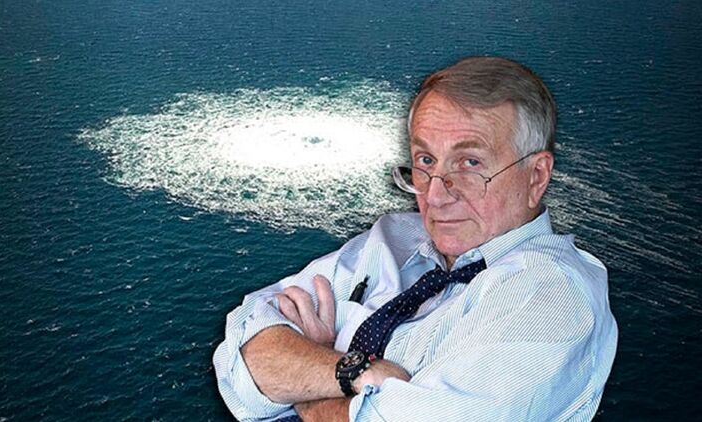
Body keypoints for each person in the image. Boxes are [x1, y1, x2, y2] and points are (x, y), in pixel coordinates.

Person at [213, 56, 618, 421]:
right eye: (425, 161)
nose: (435, 195)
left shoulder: (552, 296)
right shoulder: (392, 238)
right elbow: (240, 355)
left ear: (536, 177)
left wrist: (308, 383)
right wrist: (351, 373)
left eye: (470, 163)